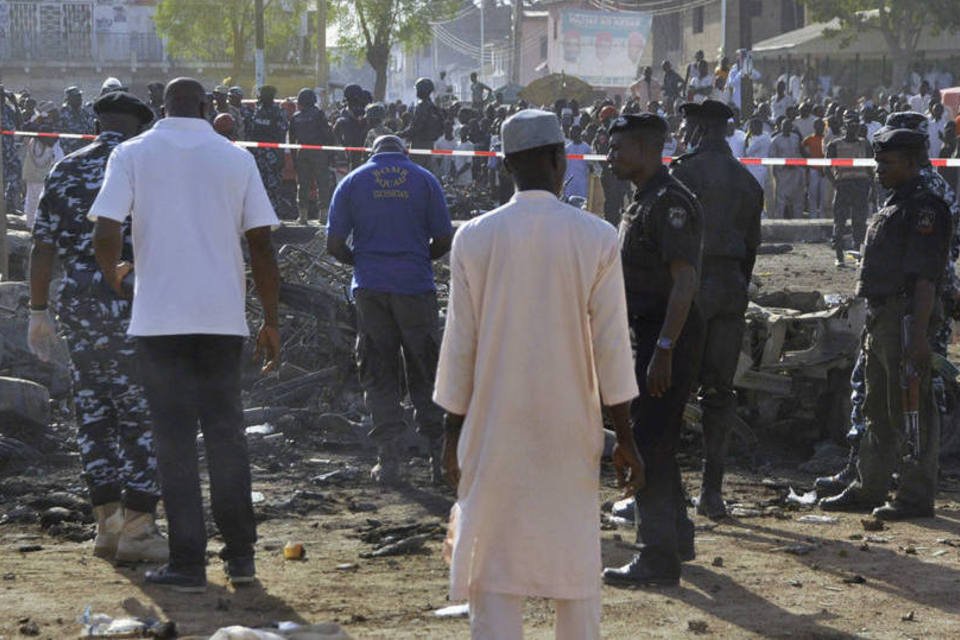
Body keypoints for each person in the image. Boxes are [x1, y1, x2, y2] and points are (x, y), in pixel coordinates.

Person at [435, 108, 643, 639]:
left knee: (495, 565)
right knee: (573, 560)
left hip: (493, 427)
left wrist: (451, 435)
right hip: (569, 427)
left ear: (506, 166)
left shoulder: (475, 238)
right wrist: (625, 437)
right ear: (558, 161)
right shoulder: (595, 238)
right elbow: (612, 348)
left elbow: (459, 347)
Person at [90, 78, 281, 592]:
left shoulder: (131, 153)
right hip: (221, 324)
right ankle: (241, 559)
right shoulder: (235, 158)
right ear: (206, 107)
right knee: (226, 438)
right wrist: (270, 318)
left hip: (158, 323)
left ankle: (188, 564)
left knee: (173, 443)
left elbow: (105, 232)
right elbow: (261, 245)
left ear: (159, 108)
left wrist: (120, 278)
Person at [29, 91, 167, 564]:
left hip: (80, 309)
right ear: (139, 126)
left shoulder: (65, 169)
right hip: (136, 304)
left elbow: (42, 247)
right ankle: (139, 529)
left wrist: (37, 311)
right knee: (141, 415)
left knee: (92, 413)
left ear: (98, 122)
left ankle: (106, 525)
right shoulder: (146, 166)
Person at [819, 127, 952, 521]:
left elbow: (926, 278)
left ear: (911, 164)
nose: (878, 169)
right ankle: (869, 484)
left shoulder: (925, 208)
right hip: (882, 318)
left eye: (887, 162)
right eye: (878, 161)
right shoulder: (897, 203)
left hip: (906, 317)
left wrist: (919, 338)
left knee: (912, 411)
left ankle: (914, 496)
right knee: (878, 408)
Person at [602, 113, 703, 587]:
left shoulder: (670, 203)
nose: (610, 155)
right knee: (658, 438)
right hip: (650, 333)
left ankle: (656, 556)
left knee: (648, 443)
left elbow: (685, 279)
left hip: (666, 335)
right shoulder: (644, 199)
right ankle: (677, 537)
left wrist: (664, 347)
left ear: (645, 149)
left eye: (619, 147)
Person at [325, 135, 453, 485]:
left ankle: (389, 462)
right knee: (424, 369)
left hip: (371, 290)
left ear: (371, 153)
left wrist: (362, 263)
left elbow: (333, 243)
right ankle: (439, 460)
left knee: (378, 370)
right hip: (414, 288)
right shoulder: (425, 180)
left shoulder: (352, 182)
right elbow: (444, 238)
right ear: (405, 153)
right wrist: (416, 260)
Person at [671, 101, 763, 520]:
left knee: (670, 390)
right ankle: (712, 493)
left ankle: (663, 491)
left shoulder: (682, 174)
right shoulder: (747, 181)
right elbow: (752, 251)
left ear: (697, 129)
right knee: (719, 394)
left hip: (689, 288)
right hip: (731, 287)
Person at [825, 111, 874, 267]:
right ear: (845, 126)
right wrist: (835, 183)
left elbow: (870, 168)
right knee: (839, 222)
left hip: (861, 186)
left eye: (856, 125)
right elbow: (827, 168)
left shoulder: (865, 144)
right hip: (844, 186)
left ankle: (858, 255)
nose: (854, 128)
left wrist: (872, 187)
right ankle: (839, 257)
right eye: (850, 125)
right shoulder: (834, 145)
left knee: (859, 223)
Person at [288, 88, 335, 224]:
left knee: (303, 185)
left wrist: (294, 158)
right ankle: (323, 216)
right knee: (322, 184)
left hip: (301, 152)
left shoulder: (295, 117)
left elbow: (292, 140)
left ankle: (302, 216)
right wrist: (330, 154)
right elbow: (328, 134)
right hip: (319, 152)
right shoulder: (319, 114)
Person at [246, 85, 289, 219]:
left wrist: (280, 155)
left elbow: (281, 134)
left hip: (272, 155)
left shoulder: (278, 112)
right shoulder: (257, 111)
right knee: (257, 185)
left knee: (273, 186)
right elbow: (250, 132)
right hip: (257, 155)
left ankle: (273, 215)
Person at [21, 123, 63, 228]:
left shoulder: (32, 142)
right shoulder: (51, 146)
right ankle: (39, 225)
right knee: (42, 203)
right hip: (43, 179)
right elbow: (60, 159)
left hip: (31, 177)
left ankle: (30, 224)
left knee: (31, 201)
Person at [399, 78, 445, 171]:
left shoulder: (421, 106)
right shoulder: (432, 106)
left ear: (421, 90)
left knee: (415, 172)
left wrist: (400, 134)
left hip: (418, 144)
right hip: (429, 144)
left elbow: (416, 127)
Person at [768, 118, 805, 218]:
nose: (787, 128)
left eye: (789, 126)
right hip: (783, 174)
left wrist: (799, 164)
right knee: (781, 200)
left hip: (796, 172)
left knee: (798, 198)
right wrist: (784, 165)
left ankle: (799, 222)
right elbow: (772, 157)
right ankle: (779, 222)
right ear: (781, 127)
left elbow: (799, 152)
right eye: (784, 126)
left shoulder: (796, 137)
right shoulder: (775, 140)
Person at [333, 84, 369, 171]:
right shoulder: (347, 113)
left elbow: (335, 132)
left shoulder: (347, 112)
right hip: (354, 146)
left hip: (356, 146)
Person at [60, 86, 96, 155]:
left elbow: (89, 127)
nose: (80, 99)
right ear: (70, 99)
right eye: (77, 97)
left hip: (86, 149)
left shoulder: (83, 112)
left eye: (80, 96)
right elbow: (63, 136)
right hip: (71, 151)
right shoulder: (63, 114)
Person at [802, 118, 826, 217]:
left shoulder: (826, 139)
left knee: (823, 195)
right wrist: (807, 157)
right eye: (817, 126)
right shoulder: (809, 139)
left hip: (825, 170)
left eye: (821, 126)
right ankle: (813, 217)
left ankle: (823, 217)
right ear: (814, 127)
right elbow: (801, 147)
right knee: (812, 194)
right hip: (813, 169)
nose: (819, 128)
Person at [563, 125, 591, 201]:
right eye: (570, 132)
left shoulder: (586, 148)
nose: (571, 134)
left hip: (581, 184)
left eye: (573, 132)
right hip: (569, 184)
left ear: (579, 133)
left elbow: (591, 166)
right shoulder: (567, 149)